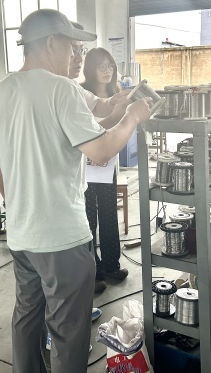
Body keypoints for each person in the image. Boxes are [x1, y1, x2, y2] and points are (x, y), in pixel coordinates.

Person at [0, 8, 151, 373]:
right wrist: (133, 117)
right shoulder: (61, 89)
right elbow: (101, 149)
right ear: (50, 44)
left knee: (27, 318)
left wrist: (17, 205)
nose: (76, 55)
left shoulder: (0, 91)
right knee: (68, 332)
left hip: (22, 236)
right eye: (72, 47)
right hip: (61, 238)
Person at [80, 48, 128, 293]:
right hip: (86, 167)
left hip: (108, 165)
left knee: (109, 214)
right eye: (101, 66)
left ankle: (111, 265)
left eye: (110, 66)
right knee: (89, 218)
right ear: (90, 68)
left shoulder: (116, 94)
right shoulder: (81, 94)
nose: (107, 71)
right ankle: (94, 271)